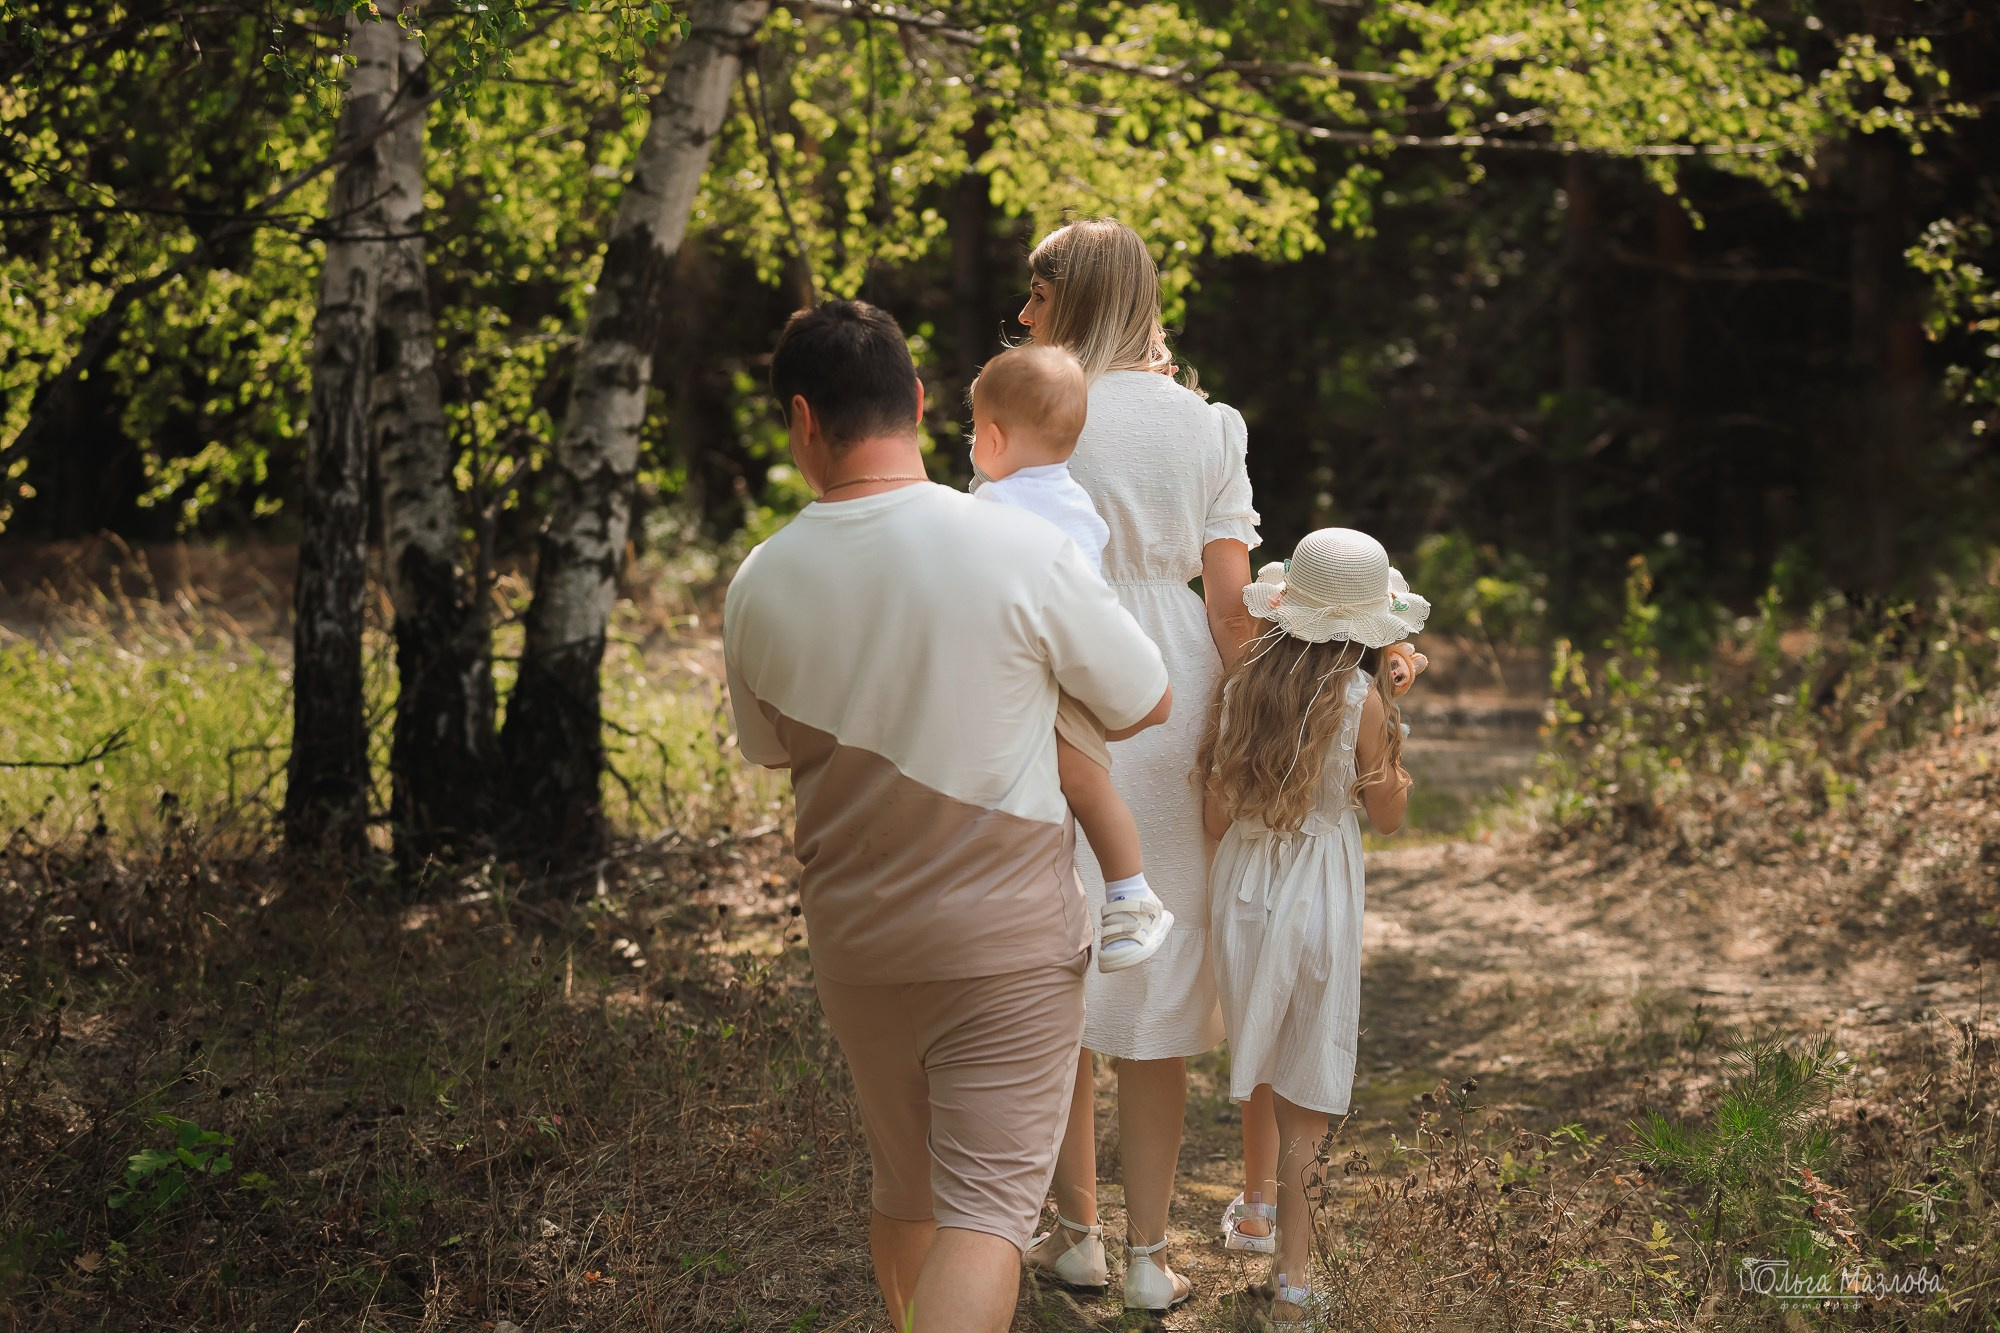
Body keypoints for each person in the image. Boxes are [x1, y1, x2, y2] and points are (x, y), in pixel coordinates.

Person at [722, 299, 1173, 1333]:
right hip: (1004, 942)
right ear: (922, 404)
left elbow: (771, 746)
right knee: (983, 1213)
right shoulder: (1013, 547)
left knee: (906, 1189)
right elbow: (1145, 694)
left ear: (801, 420)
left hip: (857, 939)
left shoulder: (760, 579)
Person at [1012, 218, 1260, 1313]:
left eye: (1034, 290)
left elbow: (1007, 559)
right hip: (1178, 699)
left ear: (1071, 297)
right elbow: (1228, 603)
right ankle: (1151, 1252)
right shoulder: (1209, 427)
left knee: (1059, 950)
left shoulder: (1039, 407)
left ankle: (1074, 1232)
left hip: (1063, 682)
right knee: (1154, 971)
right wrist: (1249, 739)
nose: (1022, 311)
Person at [1196, 528, 1426, 1330]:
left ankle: (1254, 1211)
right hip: (1318, 889)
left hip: (1244, 886)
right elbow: (1389, 816)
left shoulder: (1244, 685)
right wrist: (1392, 717)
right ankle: (1293, 1278)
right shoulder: (1362, 701)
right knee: (1310, 1085)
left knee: (1259, 1042)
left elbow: (1215, 812)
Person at [969, 343, 1174, 971]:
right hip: (1066, 658)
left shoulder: (993, 503)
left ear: (995, 439)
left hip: (1051, 671)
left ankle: (1133, 895)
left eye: (973, 432)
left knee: (1081, 779)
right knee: (1074, 785)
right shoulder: (1071, 496)